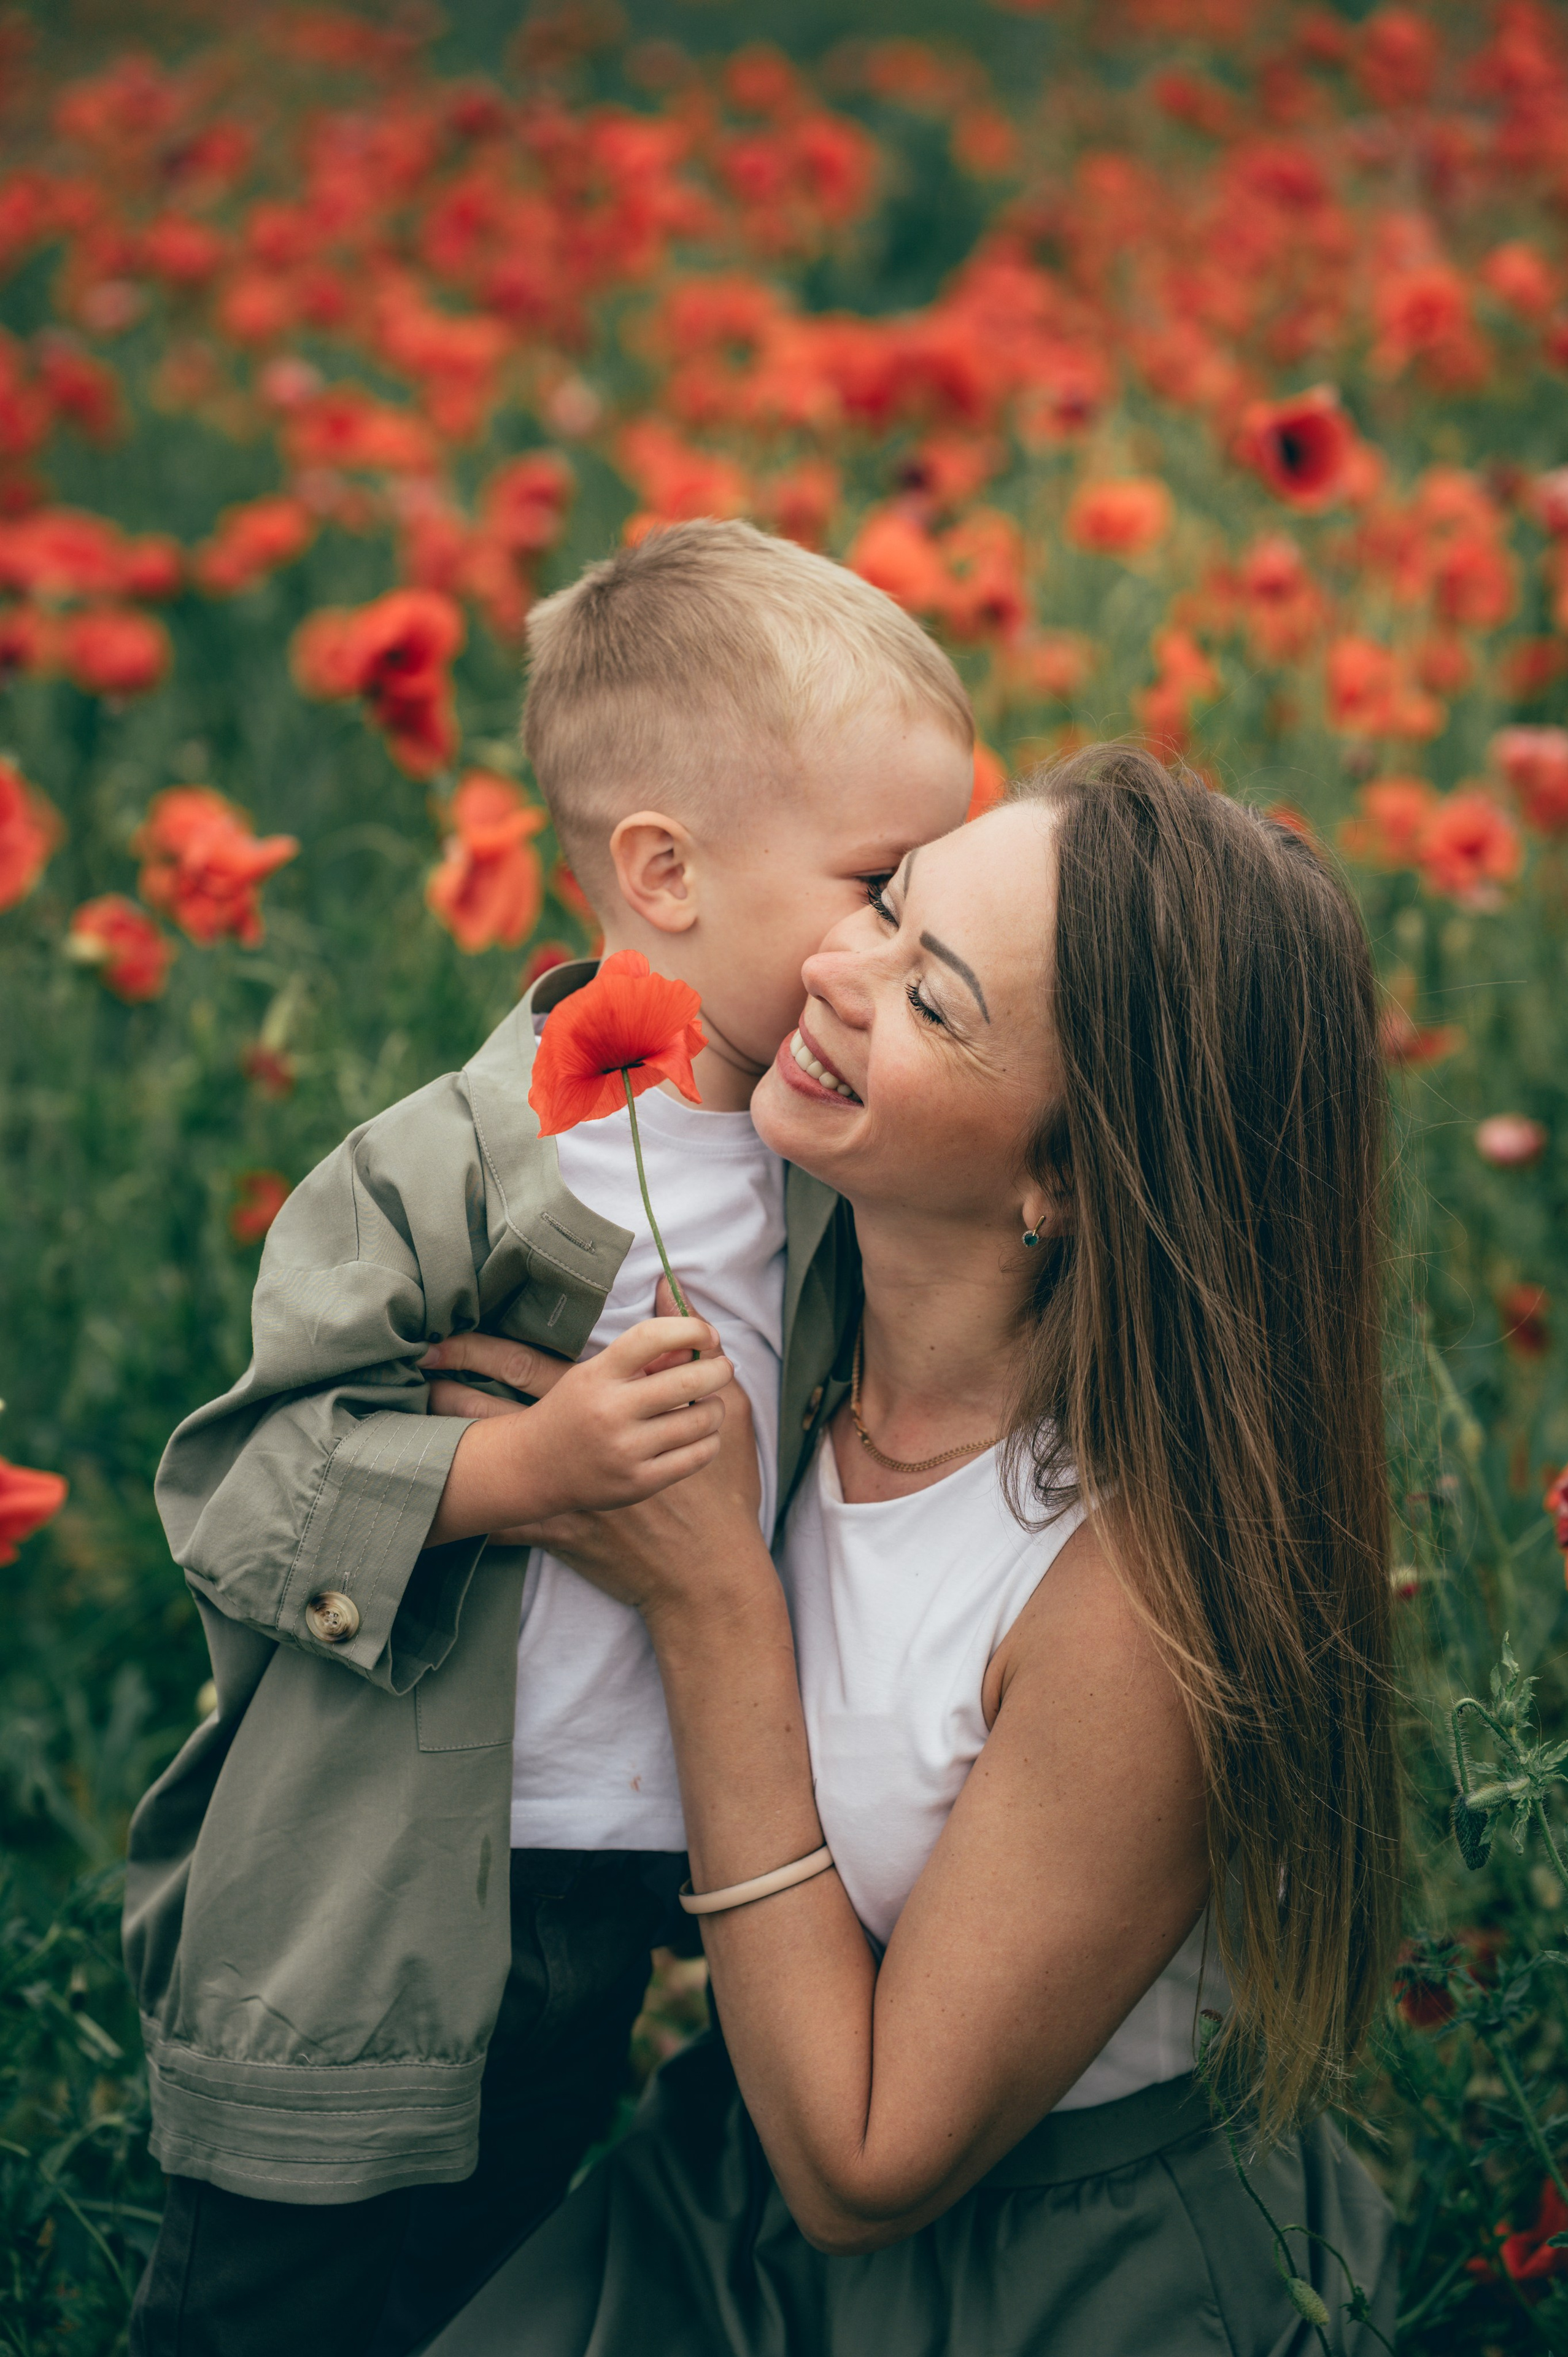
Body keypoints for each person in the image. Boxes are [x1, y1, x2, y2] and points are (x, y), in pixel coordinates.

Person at [422, 747, 1400, 2356]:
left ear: (1064, 1175)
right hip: (722, 2169)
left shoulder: (1132, 1602)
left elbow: (867, 2172)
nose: (835, 968)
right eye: (886, 901)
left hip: (1031, 2269)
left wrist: (707, 1599)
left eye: (932, 1000)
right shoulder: (778, 1313)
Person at [123, 519, 976, 2357]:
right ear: (664, 872)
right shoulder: (448, 1166)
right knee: (279, 2297)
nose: (901, 949)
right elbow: (234, 1490)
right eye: (879, 887)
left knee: (491, 2288)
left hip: (601, 1898)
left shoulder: (828, 1179)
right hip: (362, 1891)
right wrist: (520, 1474)